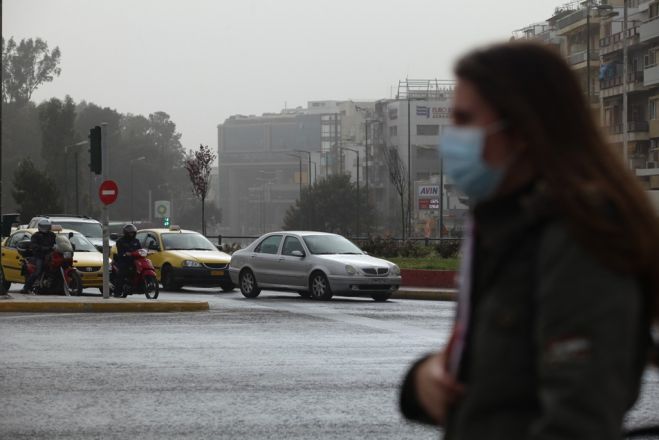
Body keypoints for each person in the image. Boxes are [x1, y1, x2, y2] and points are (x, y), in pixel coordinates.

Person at [399, 41, 659, 440]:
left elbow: (578, 420)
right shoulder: (504, 229)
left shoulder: (579, 237)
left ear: (520, 131)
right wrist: (425, 377)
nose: (452, 138)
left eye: (465, 119)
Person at [22, 219, 56, 293]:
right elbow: (34, 245)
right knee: (38, 271)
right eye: (44, 226)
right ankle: (26, 287)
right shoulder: (36, 236)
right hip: (40, 256)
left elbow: (57, 242)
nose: (46, 228)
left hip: (50, 255)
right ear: (40, 227)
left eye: (47, 226)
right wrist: (43, 248)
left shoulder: (52, 235)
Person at [114, 224, 141, 294]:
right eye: (130, 233)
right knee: (122, 273)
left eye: (133, 233)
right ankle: (117, 292)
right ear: (126, 233)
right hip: (124, 260)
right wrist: (125, 253)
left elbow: (140, 250)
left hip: (135, 260)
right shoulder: (120, 241)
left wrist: (145, 252)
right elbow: (120, 252)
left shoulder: (136, 241)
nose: (131, 234)